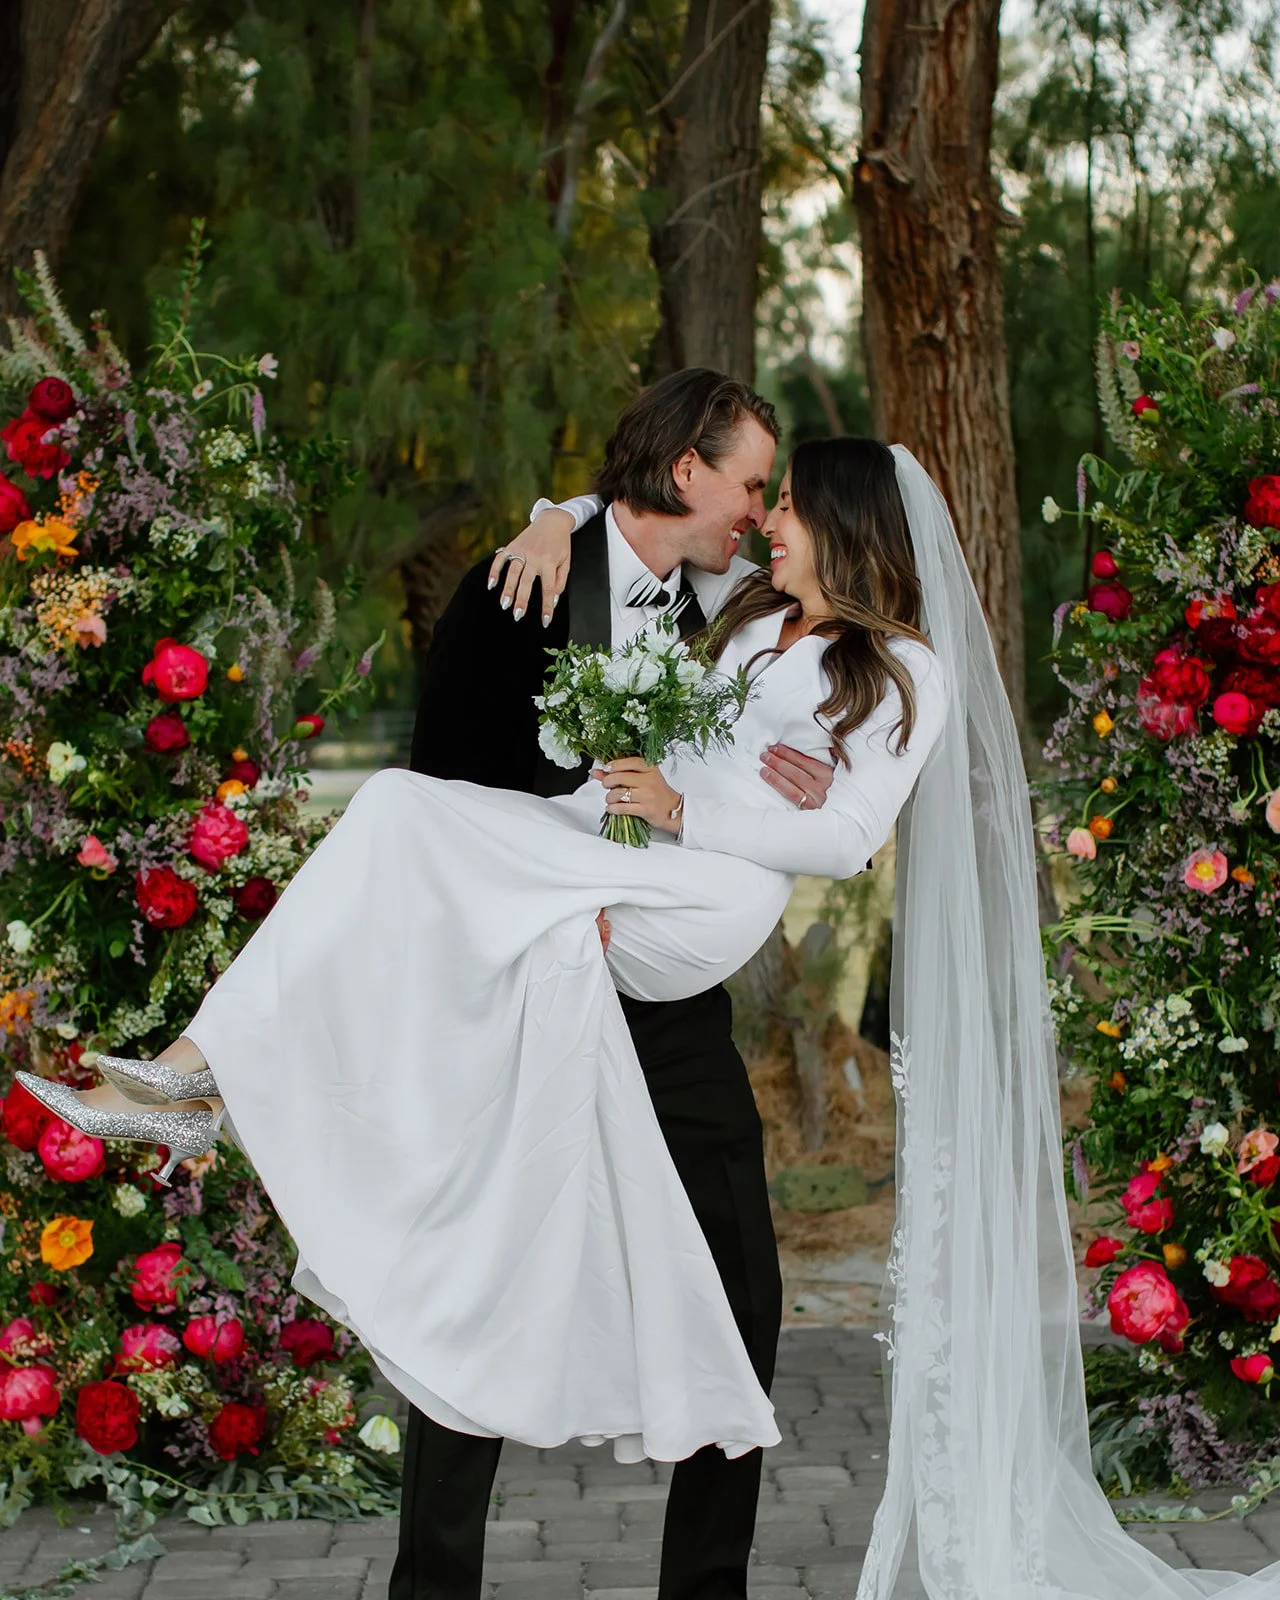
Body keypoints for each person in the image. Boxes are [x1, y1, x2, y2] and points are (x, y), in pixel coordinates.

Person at [22, 433, 950, 1589]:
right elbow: (638, 524)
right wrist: (555, 515)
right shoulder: (751, 613)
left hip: (691, 891)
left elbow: (847, 836)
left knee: (406, 825)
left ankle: (196, 1081)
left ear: (850, 524)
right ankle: (190, 1075)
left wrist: (691, 805)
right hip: (619, 858)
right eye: (763, 496)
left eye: (792, 505)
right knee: (399, 813)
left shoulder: (901, 665)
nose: (768, 521)